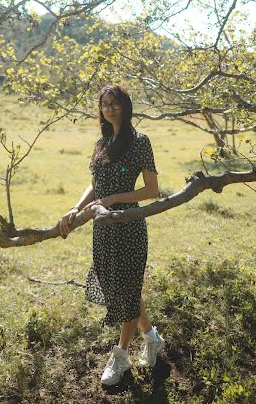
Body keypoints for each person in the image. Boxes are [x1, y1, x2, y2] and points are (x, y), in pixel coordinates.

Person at [59, 85, 165, 386]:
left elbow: (151, 190)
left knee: (126, 291)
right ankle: (152, 339)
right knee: (125, 288)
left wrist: (114, 198)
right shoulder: (102, 142)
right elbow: (94, 185)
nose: (110, 109)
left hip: (128, 224)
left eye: (115, 103)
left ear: (126, 106)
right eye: (105, 104)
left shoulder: (140, 142)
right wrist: (75, 208)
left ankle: (120, 357)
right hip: (103, 229)